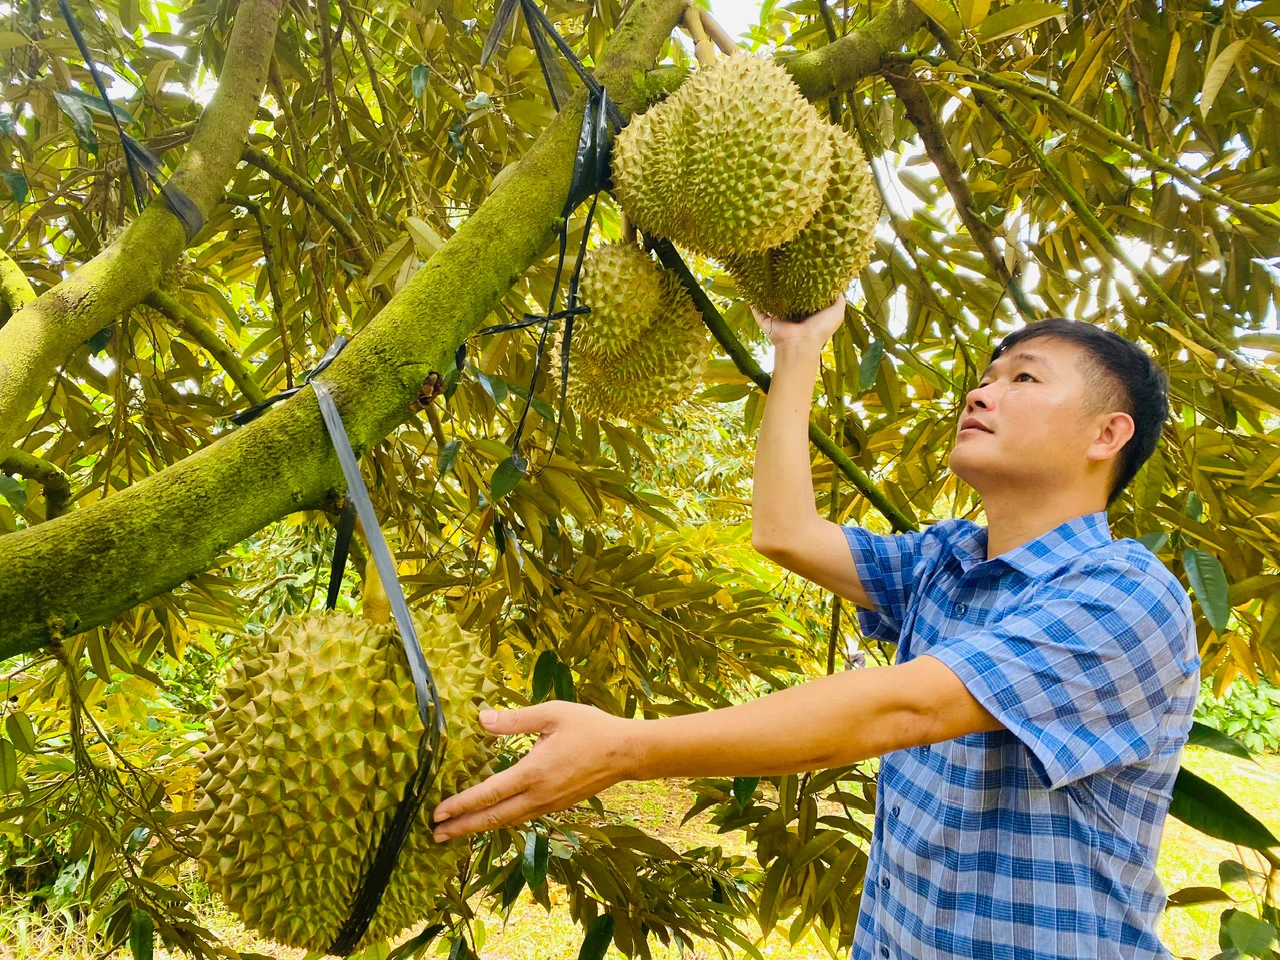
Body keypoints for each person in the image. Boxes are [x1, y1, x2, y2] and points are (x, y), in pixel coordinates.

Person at [430, 299, 1200, 960]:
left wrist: (626, 749)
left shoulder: (1124, 597)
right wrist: (799, 347)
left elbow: (905, 707)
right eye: (986, 376)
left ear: (1108, 435)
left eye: (1023, 377)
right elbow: (787, 531)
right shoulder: (946, 563)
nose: (982, 392)